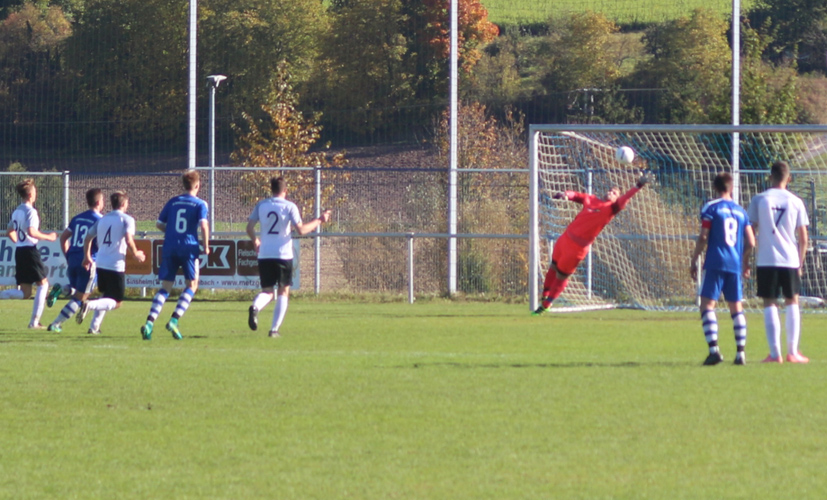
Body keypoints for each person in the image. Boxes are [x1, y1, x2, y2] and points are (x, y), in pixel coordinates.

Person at [533, 174, 649, 314]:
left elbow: (625, 198)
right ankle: (544, 294)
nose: (610, 193)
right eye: (610, 190)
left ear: (616, 199)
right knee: (553, 267)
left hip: (577, 248)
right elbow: (576, 195)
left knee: (562, 275)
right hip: (565, 238)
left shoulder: (611, 209)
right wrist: (565, 194)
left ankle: (546, 304)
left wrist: (638, 186)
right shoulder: (591, 199)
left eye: (614, 193)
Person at [246, 177, 331, 338]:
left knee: (267, 292)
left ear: (271, 190)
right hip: (283, 254)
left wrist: (256, 240)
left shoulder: (262, 205)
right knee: (283, 292)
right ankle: (274, 330)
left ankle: (255, 307)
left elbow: (249, 227)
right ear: (285, 191)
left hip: (264, 254)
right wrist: (320, 220)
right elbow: (302, 230)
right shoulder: (289, 206)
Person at [747, 161, 810, 364]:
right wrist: (800, 263)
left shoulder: (759, 199)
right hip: (790, 259)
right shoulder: (796, 201)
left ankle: (775, 354)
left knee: (769, 302)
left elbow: (751, 232)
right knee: (792, 301)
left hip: (766, 259)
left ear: (770, 176)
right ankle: (793, 352)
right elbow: (803, 237)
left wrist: (746, 259)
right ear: (789, 178)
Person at [690, 173, 755, 365]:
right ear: (731, 187)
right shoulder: (741, 211)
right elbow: (751, 241)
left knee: (707, 305)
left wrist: (694, 259)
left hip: (716, 261)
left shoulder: (711, 207)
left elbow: (703, 236)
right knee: (736, 307)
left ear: (715, 187)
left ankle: (714, 351)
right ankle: (740, 354)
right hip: (734, 264)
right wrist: (744, 261)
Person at [140, 170, 209, 340]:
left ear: (183, 185)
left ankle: (149, 322)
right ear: (198, 185)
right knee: (192, 285)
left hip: (170, 245)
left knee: (165, 287)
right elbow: (204, 225)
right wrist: (206, 245)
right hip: (188, 246)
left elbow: (158, 224)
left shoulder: (173, 201)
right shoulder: (200, 204)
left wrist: (171, 232)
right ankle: (174, 320)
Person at [76, 191, 145, 330]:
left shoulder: (102, 219)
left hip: (100, 262)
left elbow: (88, 238)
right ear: (124, 204)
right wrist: (136, 252)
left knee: (106, 295)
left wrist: (86, 256)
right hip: (115, 264)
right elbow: (128, 238)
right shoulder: (127, 219)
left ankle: (94, 327)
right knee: (117, 302)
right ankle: (89, 304)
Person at [0, 179, 58, 328]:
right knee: (43, 285)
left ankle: (34, 321)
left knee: (25, 293)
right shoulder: (31, 211)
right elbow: (32, 231)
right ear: (32, 194)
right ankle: (34, 322)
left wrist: (18, 242)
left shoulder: (17, 211)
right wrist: (49, 237)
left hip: (20, 251)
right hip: (30, 251)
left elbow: (9, 231)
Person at [46, 188, 104, 333]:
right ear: (98, 202)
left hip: (73, 258)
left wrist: (68, 255)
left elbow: (63, 237)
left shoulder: (77, 218)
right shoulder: (100, 221)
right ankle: (55, 324)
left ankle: (62, 289)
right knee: (80, 297)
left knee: (75, 290)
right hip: (88, 260)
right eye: (102, 200)